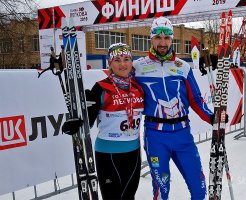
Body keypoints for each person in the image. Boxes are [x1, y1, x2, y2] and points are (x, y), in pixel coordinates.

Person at [133, 17, 219, 200]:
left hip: (182, 134)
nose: (162, 42)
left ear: (172, 39)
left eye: (167, 38)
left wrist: (212, 117)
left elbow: (195, 99)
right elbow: (120, 88)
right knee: (161, 190)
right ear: (151, 38)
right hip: (155, 136)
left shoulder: (183, 67)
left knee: (199, 188)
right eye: (158, 37)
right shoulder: (138, 67)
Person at [62, 43, 144, 200]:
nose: (122, 64)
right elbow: (87, 120)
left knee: (129, 197)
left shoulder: (138, 87)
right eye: (117, 60)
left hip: (133, 153)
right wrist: (74, 123)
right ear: (110, 64)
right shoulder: (101, 87)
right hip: (107, 153)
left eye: (126, 59)